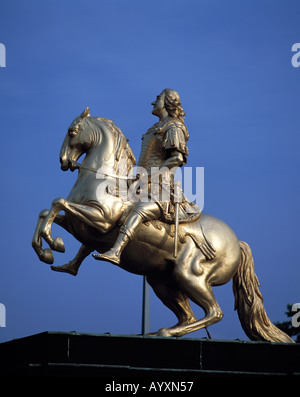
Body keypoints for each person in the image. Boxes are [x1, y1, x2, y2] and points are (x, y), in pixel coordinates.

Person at [93, 88, 189, 265]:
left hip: (161, 190)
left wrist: (149, 176)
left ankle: (116, 252)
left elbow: (177, 158)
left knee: (138, 211)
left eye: (158, 98)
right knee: (108, 210)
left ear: (167, 102)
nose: (154, 102)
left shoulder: (173, 126)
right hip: (142, 185)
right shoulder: (155, 128)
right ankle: (76, 261)